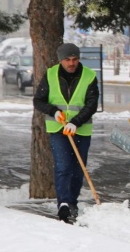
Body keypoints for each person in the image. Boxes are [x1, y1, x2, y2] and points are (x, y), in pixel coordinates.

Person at [33, 43, 99, 224]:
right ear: (61, 60)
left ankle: (72, 202)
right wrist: (53, 111)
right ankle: (63, 204)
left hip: (82, 129)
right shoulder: (51, 75)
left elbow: (91, 104)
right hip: (58, 128)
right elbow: (38, 100)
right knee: (63, 166)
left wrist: (76, 122)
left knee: (79, 169)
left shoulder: (89, 76)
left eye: (75, 59)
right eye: (67, 60)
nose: (71, 63)